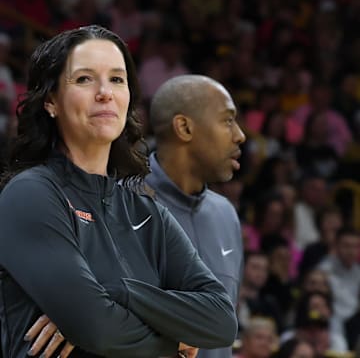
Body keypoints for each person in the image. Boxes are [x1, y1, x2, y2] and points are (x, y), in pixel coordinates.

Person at [0, 25, 238, 357]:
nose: (105, 93)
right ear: (51, 101)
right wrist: (177, 340)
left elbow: (221, 320)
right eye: (84, 79)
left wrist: (117, 293)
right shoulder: (29, 195)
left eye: (117, 79)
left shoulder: (145, 210)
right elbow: (98, 329)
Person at [145, 74, 246, 358]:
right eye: (227, 120)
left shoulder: (226, 214)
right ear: (185, 127)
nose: (240, 134)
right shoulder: (119, 205)